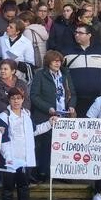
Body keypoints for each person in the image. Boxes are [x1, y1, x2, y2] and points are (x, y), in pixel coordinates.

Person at [0, 87, 57, 200]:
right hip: (10, 159)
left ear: (23, 99)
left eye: (19, 98)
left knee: (24, 188)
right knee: (8, 189)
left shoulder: (27, 114)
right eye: (13, 98)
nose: (16, 101)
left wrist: (50, 123)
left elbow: (34, 131)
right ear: (9, 100)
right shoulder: (3, 117)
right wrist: (8, 158)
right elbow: (3, 140)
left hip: (25, 159)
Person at [29, 50, 77, 183]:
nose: (57, 63)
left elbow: (72, 93)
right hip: (45, 116)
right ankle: (42, 172)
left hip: (64, 116)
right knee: (45, 146)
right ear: (48, 62)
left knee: (62, 145)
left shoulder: (66, 74)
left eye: (59, 61)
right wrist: (48, 108)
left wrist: (71, 105)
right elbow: (34, 96)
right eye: (54, 60)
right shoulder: (40, 75)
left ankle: (60, 173)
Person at [63, 23, 101, 116]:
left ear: (89, 35)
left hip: (96, 95)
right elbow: (61, 71)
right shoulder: (67, 52)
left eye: (80, 33)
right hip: (75, 97)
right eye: (76, 33)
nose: (77, 35)